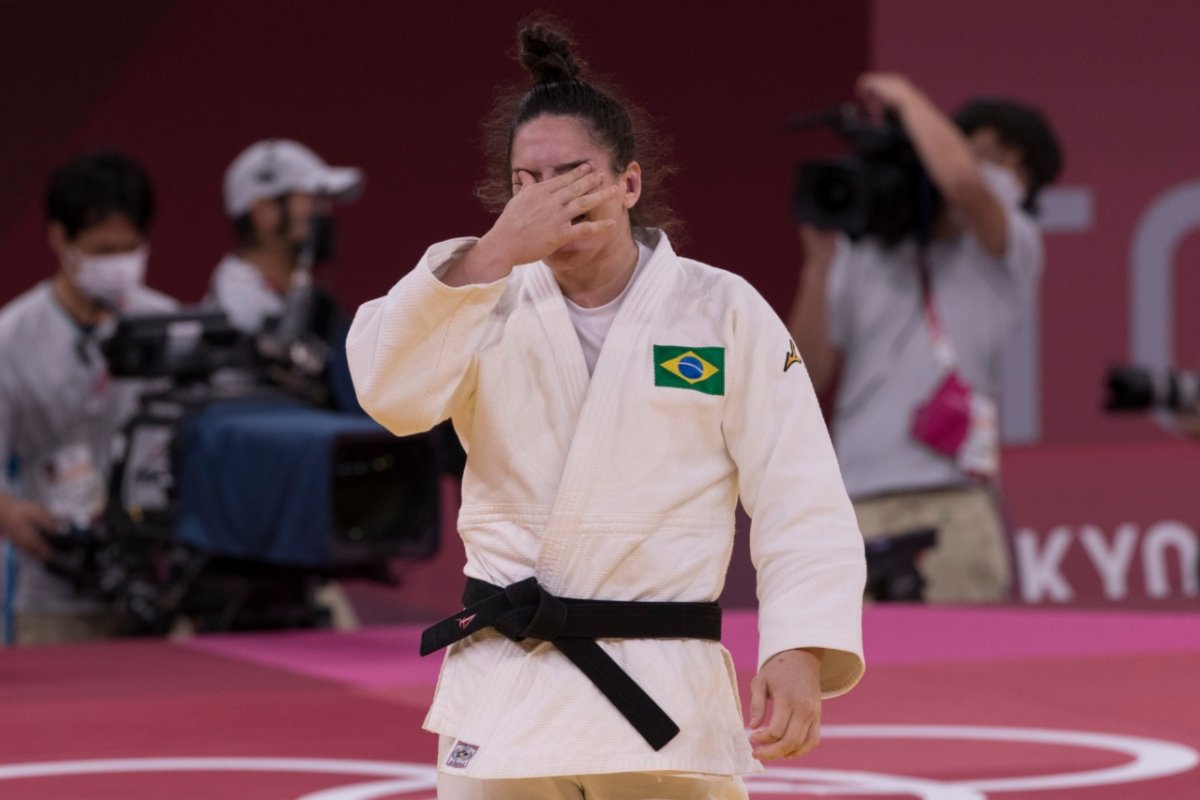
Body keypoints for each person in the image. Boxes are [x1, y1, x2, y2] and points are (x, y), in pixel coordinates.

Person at [347, 21, 865, 799]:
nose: (549, 198)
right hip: (508, 690)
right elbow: (392, 400)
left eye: (572, 174)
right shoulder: (470, 293)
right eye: (528, 181)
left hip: (662, 686)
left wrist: (800, 645)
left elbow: (800, 493)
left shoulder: (720, 309)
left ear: (628, 183)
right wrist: (489, 255)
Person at [789, 73, 1063, 604]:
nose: (975, 166)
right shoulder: (864, 252)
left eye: (995, 158)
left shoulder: (1010, 248)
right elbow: (808, 374)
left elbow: (964, 187)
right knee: (861, 685)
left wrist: (904, 95)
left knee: (966, 684)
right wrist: (819, 265)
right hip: (856, 504)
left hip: (953, 505)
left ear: (1021, 178)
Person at [0, 151, 176, 644]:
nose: (117, 265)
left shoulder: (169, 326)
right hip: (50, 595)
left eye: (129, 248)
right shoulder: (11, 339)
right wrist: (9, 514)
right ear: (60, 238)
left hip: (153, 585)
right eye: (102, 250)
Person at [210, 138, 363, 338]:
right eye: (313, 199)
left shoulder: (309, 306)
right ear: (264, 212)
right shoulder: (237, 317)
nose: (326, 211)